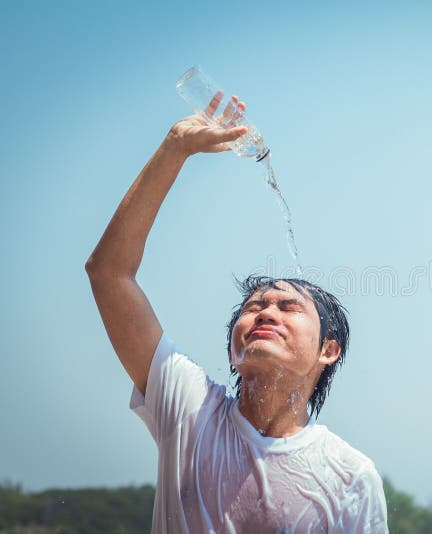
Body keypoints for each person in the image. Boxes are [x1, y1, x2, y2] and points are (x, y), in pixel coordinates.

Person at [85, 94, 389, 533]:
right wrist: (175, 147)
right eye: (254, 308)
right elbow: (108, 273)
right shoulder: (190, 410)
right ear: (233, 352)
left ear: (329, 350)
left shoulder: (350, 476)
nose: (266, 312)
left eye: (289, 307)